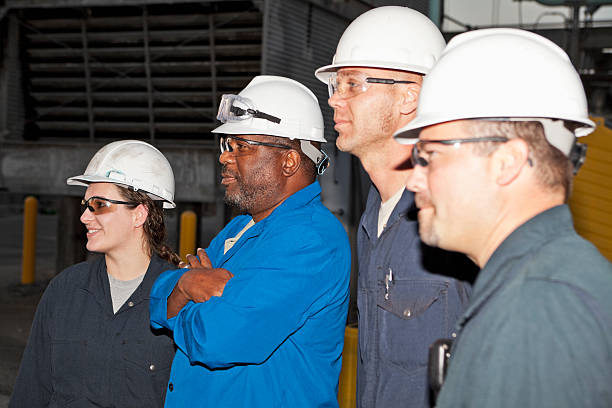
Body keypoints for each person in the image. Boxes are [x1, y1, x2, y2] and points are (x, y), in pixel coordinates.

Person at [396, 28, 612, 407]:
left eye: (428, 156)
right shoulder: (544, 282)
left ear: (507, 163)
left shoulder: (538, 306)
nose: (414, 179)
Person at [149, 75, 351, 407]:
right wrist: (186, 283)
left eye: (240, 146)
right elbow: (158, 297)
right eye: (225, 145)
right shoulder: (239, 228)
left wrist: (183, 293)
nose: (224, 158)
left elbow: (217, 338)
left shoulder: (311, 240)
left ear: (289, 160)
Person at [314, 6, 474, 407]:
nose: (334, 101)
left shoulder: (458, 217)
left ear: (409, 97)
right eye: (336, 85)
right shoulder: (374, 217)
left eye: (352, 85)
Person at [10, 140, 180, 408]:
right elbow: (31, 391)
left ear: (139, 214)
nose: (84, 217)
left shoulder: (178, 297)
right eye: (86, 204)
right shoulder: (65, 290)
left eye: (99, 204)